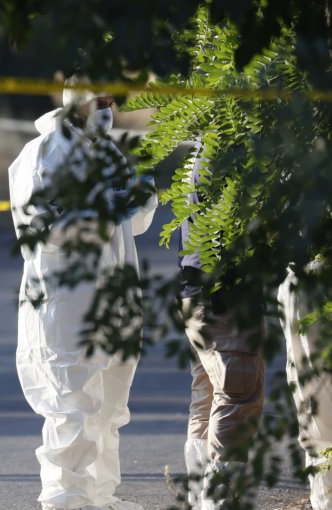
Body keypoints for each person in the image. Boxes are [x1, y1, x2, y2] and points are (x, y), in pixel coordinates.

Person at [7, 78, 157, 510]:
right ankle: (65, 501)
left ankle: (100, 497)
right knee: (71, 408)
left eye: (111, 101)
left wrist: (140, 202)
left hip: (113, 298)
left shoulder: (108, 154)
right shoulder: (42, 154)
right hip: (67, 302)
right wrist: (105, 210)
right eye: (99, 101)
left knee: (109, 411)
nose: (107, 110)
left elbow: (128, 226)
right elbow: (40, 231)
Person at [178, 150, 265, 510]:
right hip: (224, 296)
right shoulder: (232, 147)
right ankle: (221, 501)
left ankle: (202, 496)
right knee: (238, 397)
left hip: (196, 293)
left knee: (209, 395)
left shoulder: (205, 146)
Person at [278, 261, 330, 510]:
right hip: (309, 276)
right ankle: (325, 495)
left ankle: (325, 496)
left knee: (312, 386)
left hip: (305, 276)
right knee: (313, 388)